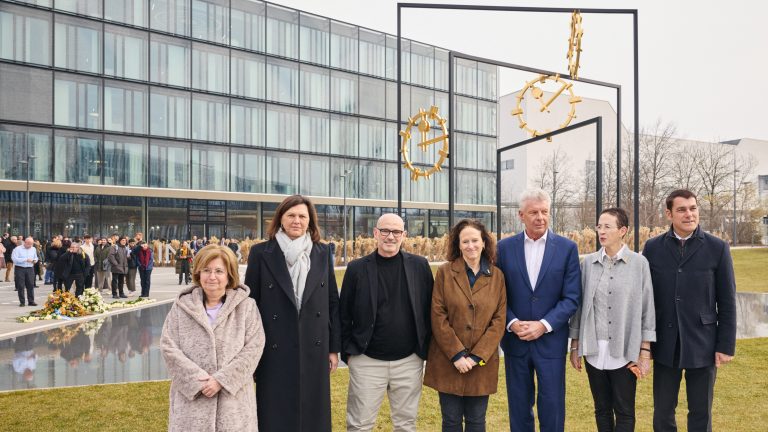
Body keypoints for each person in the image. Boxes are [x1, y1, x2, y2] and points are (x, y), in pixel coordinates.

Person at [244, 194, 341, 432]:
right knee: (275, 410)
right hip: (272, 346)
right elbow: (250, 306)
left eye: (302, 216)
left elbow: (332, 303)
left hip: (314, 344)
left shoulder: (321, 252)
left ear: (310, 221)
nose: (296, 220)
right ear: (281, 218)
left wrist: (333, 348)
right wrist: (251, 353)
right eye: (291, 215)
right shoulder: (260, 253)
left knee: (313, 411)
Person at [643, 189, 736, 432]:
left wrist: (725, 345)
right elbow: (645, 298)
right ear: (668, 213)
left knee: (701, 412)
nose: (689, 214)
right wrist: (645, 344)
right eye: (682, 209)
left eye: (693, 208)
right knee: (663, 412)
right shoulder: (652, 248)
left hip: (703, 343)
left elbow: (727, 301)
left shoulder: (718, 248)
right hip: (664, 342)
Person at [496, 188, 581, 432]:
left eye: (544, 212)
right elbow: (498, 295)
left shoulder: (567, 248)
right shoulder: (504, 248)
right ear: (521, 215)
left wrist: (543, 325)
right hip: (515, 340)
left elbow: (572, 297)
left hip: (551, 342)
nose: (540, 217)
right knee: (519, 407)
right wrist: (512, 323)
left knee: (552, 407)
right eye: (534, 212)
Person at [340, 213, 434, 432]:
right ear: (375, 233)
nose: (390, 236)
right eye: (385, 231)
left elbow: (431, 310)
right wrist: (349, 355)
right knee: (359, 425)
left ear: (404, 235)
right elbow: (344, 314)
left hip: (409, 361)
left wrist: (425, 349)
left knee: (405, 425)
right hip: (366, 361)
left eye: (396, 232)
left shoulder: (420, 266)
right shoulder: (356, 269)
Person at [161, 245, 265, 432]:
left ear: (229, 275)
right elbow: (169, 347)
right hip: (191, 406)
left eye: (219, 271)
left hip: (233, 405)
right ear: (198, 273)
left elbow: (254, 348)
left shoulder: (246, 307)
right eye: (206, 270)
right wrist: (198, 381)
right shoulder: (182, 307)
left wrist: (221, 380)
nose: (212, 277)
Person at [569, 208, 656, 431]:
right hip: (593, 351)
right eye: (599, 226)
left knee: (625, 411)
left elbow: (647, 308)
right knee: (601, 409)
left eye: (607, 226)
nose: (601, 231)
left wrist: (644, 351)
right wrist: (575, 345)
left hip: (625, 351)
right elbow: (579, 308)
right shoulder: (587, 264)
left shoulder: (639, 264)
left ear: (623, 231)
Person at [423, 219, 507, 432]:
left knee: (477, 421)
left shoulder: (497, 277)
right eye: (465, 241)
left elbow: (499, 320)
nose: (471, 246)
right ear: (458, 245)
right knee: (450, 421)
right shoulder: (444, 273)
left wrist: (476, 357)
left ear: (484, 243)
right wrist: (457, 355)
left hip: (481, 364)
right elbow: (437, 314)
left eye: (475, 240)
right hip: (449, 361)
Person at [12, 236, 39, 307]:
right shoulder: (17, 249)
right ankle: (22, 302)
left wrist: (35, 261)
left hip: (30, 268)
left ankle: (31, 301)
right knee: (21, 285)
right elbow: (14, 259)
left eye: (31, 244)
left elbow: (36, 257)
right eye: (29, 244)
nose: (30, 246)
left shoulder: (33, 249)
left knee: (30, 285)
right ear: (25, 242)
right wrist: (25, 259)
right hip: (20, 268)